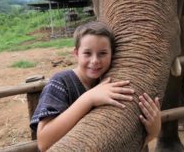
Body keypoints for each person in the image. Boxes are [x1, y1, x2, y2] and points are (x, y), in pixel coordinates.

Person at [30, 21, 161, 151]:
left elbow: (120, 142)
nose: (95, 61)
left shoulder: (107, 84)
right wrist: (88, 99)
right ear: (76, 53)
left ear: (112, 54)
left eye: (102, 53)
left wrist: (153, 131)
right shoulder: (60, 82)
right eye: (87, 53)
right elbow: (44, 142)